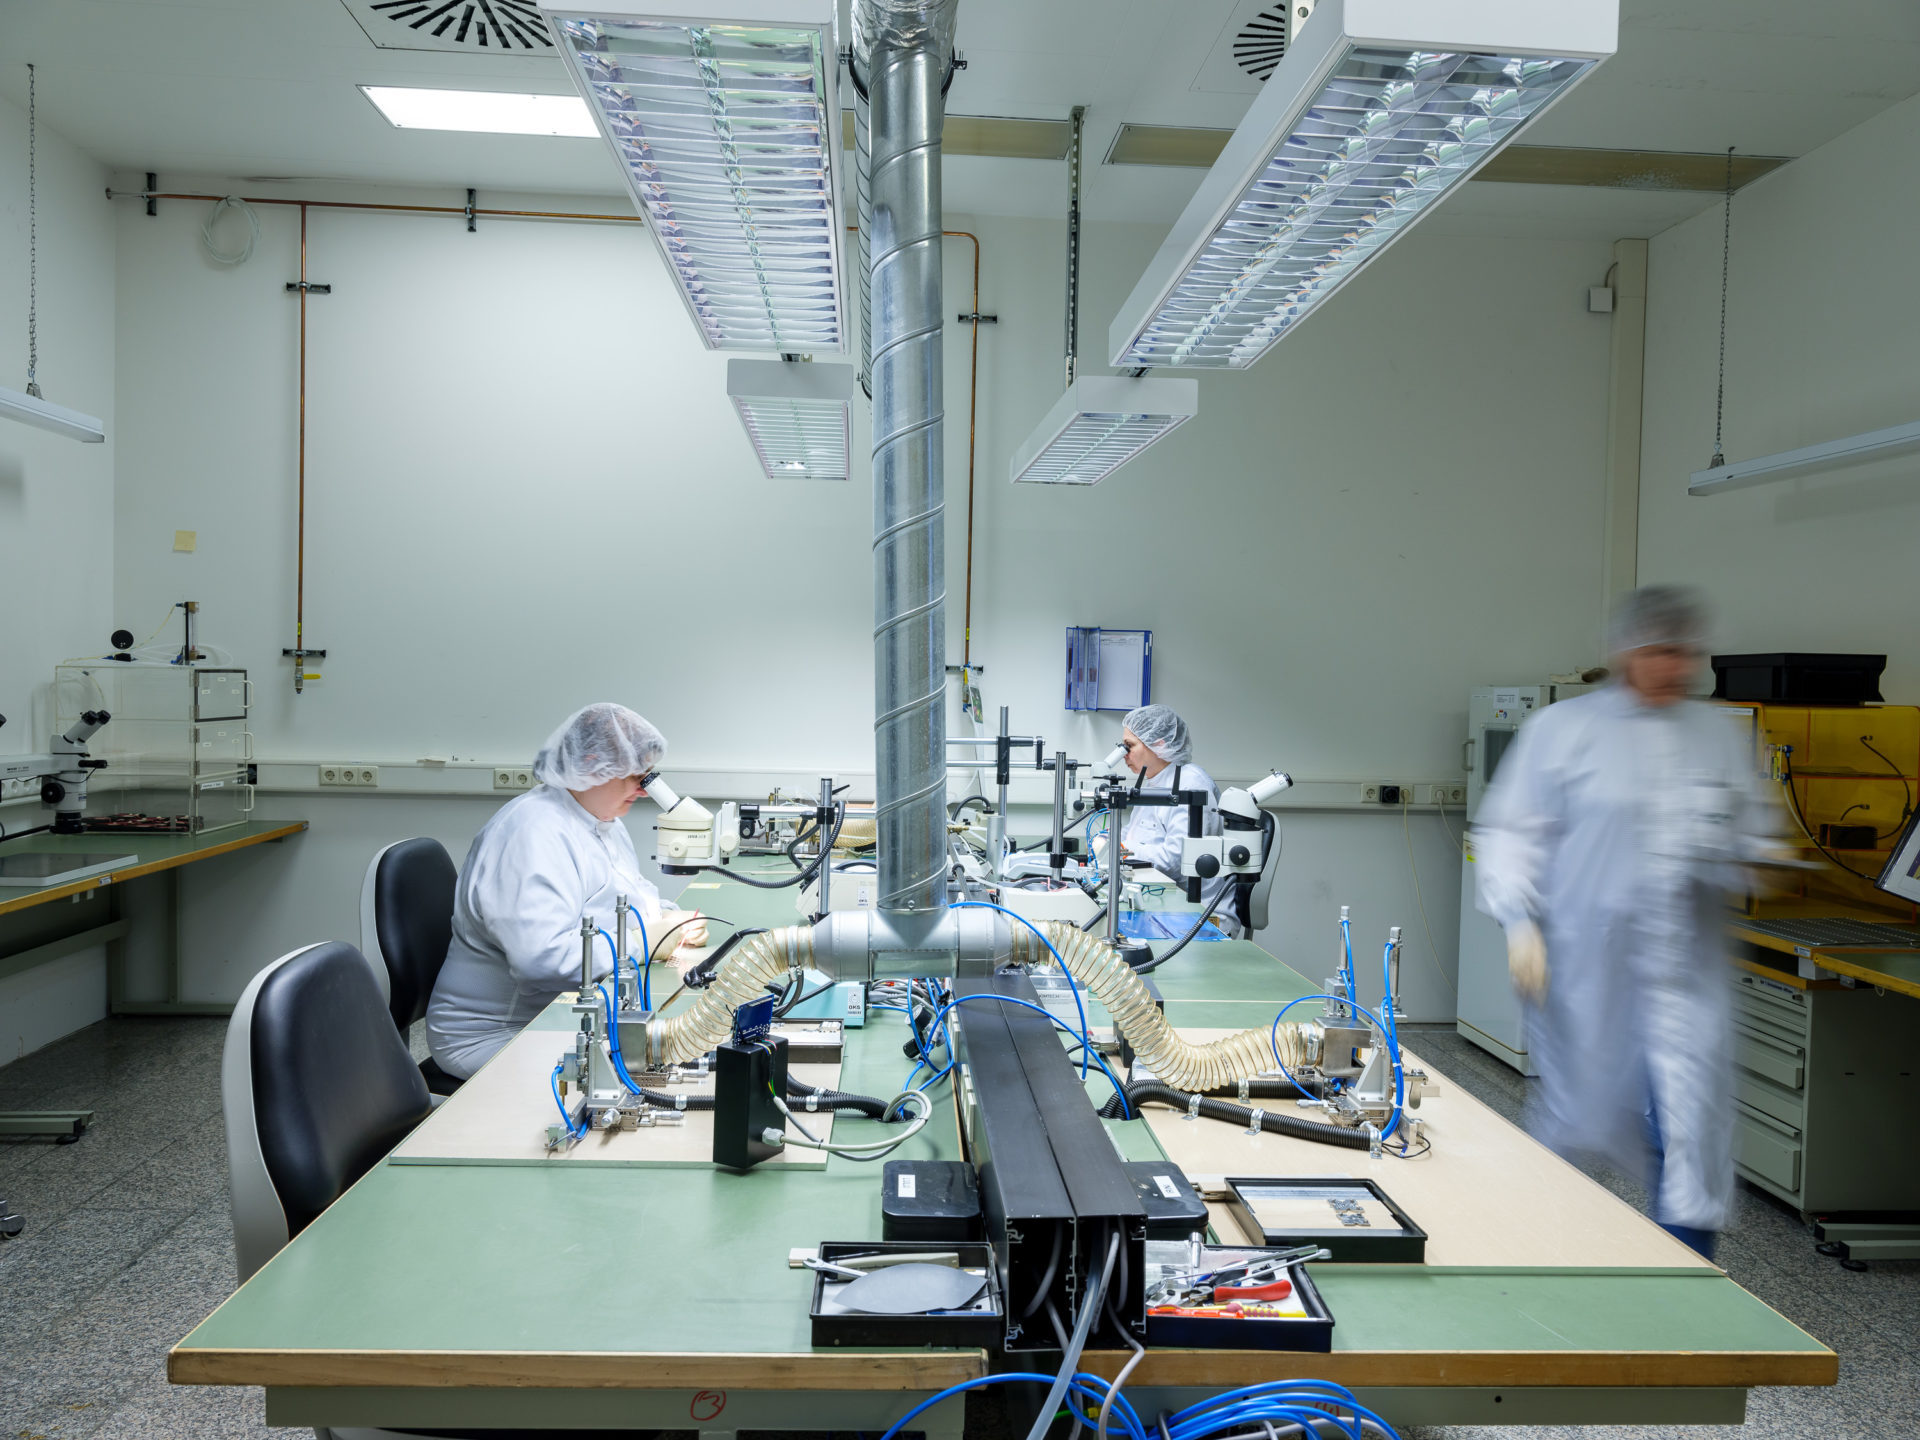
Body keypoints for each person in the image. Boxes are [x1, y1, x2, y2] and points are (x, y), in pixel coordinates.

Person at [1473, 586, 1786, 1258]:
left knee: (1688, 1128)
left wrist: (1755, 860)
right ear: (1624, 653)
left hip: (1687, 976)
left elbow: (1752, 835)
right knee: (1573, 1123)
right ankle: (1540, 1262)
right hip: (1587, 967)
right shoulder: (1563, 730)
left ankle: (1687, 1277)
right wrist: (1519, 922)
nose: (1674, 667)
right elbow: (1509, 836)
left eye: (1685, 653)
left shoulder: (1720, 734)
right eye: (1658, 651)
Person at [427, 703, 708, 1080]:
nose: (643, 791)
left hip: (562, 1013)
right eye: (634, 776)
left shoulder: (600, 819)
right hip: (497, 1035)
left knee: (680, 1049)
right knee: (653, 1075)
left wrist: (671, 919)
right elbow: (541, 962)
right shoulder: (532, 833)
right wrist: (644, 942)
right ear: (592, 766)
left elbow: (623, 896)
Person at [1110, 704, 1231, 928]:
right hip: (1163, 898)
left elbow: (1176, 861)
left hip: (1199, 911)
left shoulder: (1190, 783)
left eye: (1130, 745)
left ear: (1159, 744)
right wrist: (1110, 839)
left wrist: (1121, 849)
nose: (1124, 754)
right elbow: (1135, 832)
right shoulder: (1154, 780)